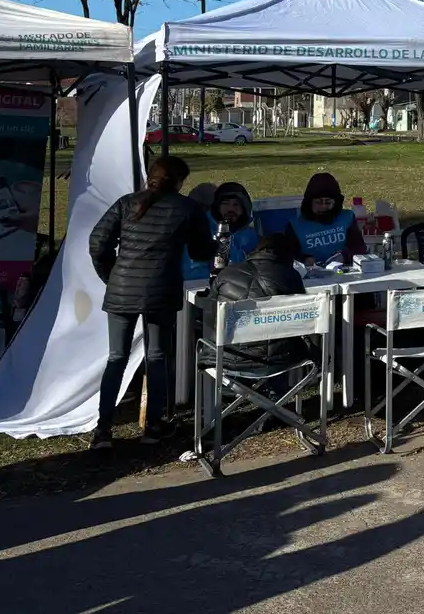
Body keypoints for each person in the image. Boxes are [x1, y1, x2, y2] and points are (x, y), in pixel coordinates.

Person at [88, 156, 216, 450]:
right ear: (181, 182)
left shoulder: (126, 203)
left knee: (116, 358)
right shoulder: (187, 208)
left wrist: (112, 276)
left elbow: (97, 243)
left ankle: (103, 429)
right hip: (161, 289)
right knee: (157, 357)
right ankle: (153, 426)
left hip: (122, 289)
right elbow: (200, 252)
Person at [208, 233, 311, 373]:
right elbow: (301, 320)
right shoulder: (290, 275)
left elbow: (211, 313)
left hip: (225, 355)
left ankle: (221, 392)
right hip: (277, 359)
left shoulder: (226, 273)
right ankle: (278, 391)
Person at [284, 172, 366, 266]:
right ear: (309, 203)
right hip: (310, 274)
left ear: (335, 202)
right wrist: (304, 259)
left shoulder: (347, 218)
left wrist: (344, 256)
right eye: (318, 203)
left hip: (344, 270)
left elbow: (359, 247)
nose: (323, 207)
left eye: (328, 203)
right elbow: (288, 254)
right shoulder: (295, 226)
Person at [184, 182, 258, 281]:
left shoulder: (250, 235)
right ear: (217, 207)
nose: (231, 209)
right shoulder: (201, 232)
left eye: (236, 204)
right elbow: (194, 274)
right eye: (226, 204)